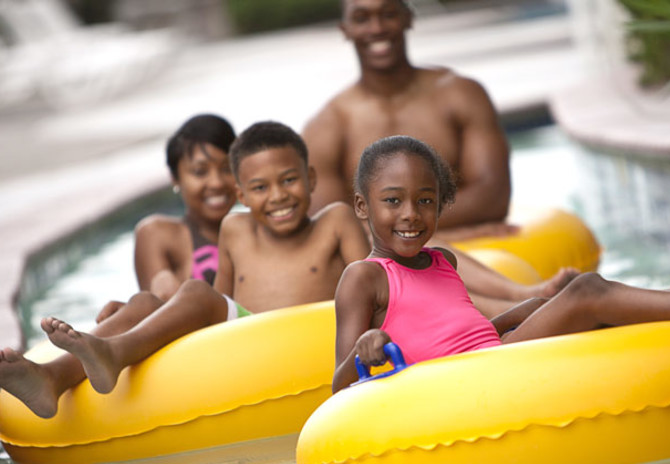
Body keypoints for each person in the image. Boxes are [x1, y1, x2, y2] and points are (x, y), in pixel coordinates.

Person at [331, 136, 670, 391]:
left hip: (496, 350)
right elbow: (338, 387)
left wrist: (515, 314)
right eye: (393, 201)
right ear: (362, 206)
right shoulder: (364, 278)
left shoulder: (442, 259)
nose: (411, 214)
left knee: (588, 300)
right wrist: (366, 348)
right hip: (471, 379)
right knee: (589, 290)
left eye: (425, 200)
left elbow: (450, 331)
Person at [0, 121, 370, 418]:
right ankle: (51, 378)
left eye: (289, 180)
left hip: (306, 337)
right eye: (260, 187)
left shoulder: (334, 221)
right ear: (241, 196)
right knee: (149, 301)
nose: (277, 196)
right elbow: (222, 301)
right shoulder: (235, 228)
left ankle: (114, 351)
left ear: (312, 179)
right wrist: (136, 312)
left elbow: (372, 281)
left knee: (193, 292)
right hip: (249, 341)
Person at [302, 0, 578, 316]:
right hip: (388, 261)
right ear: (345, 29)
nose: (376, 28)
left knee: (421, 253)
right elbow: (335, 226)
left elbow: (493, 196)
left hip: (413, 244)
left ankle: (527, 299)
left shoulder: (459, 94)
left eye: (388, 14)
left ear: (408, 18)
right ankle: (523, 304)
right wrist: (443, 230)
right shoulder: (327, 127)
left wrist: (418, 227)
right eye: (362, 18)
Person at [95, 113, 238, 322]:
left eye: (227, 169)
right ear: (175, 177)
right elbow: (155, 309)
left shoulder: (252, 230)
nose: (216, 182)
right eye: (200, 172)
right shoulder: (160, 233)